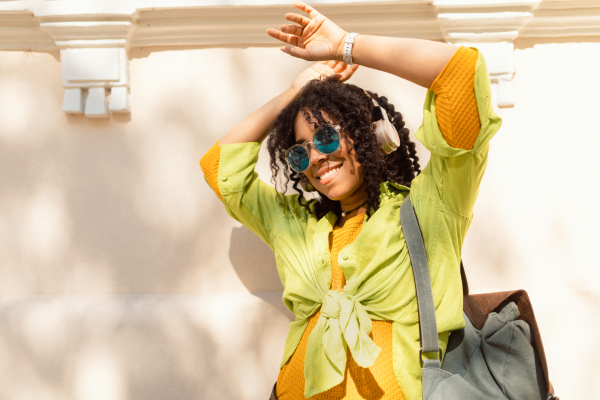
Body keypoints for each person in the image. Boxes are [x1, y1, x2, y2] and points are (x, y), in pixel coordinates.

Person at [200, 2, 501, 400]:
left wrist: (345, 45)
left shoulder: (431, 208)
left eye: (326, 137)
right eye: (300, 152)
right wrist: (293, 94)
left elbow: (461, 73)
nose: (317, 158)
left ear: (367, 133)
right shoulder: (294, 224)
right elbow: (219, 167)